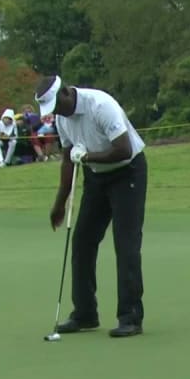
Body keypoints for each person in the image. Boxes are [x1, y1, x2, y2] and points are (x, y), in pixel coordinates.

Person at [35, 75, 148, 338]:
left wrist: (87, 156)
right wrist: (60, 203)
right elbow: (67, 161)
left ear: (65, 92)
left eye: (56, 105)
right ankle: (85, 313)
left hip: (127, 173)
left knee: (126, 244)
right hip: (96, 177)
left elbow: (123, 149)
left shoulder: (100, 105)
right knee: (82, 241)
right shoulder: (62, 119)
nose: (56, 113)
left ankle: (130, 316)